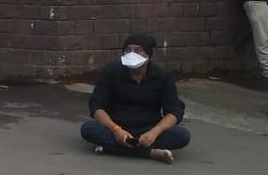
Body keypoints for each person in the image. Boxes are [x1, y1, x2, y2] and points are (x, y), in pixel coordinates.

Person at [80, 33, 191, 165]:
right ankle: (151, 153)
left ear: (148, 55)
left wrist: (154, 132)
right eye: (128, 50)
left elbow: (174, 110)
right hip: (116, 126)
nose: (132, 54)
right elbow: (96, 106)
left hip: (148, 129)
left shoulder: (162, 76)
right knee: (88, 129)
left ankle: (110, 147)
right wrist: (116, 130)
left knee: (182, 136)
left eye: (138, 50)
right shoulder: (110, 71)